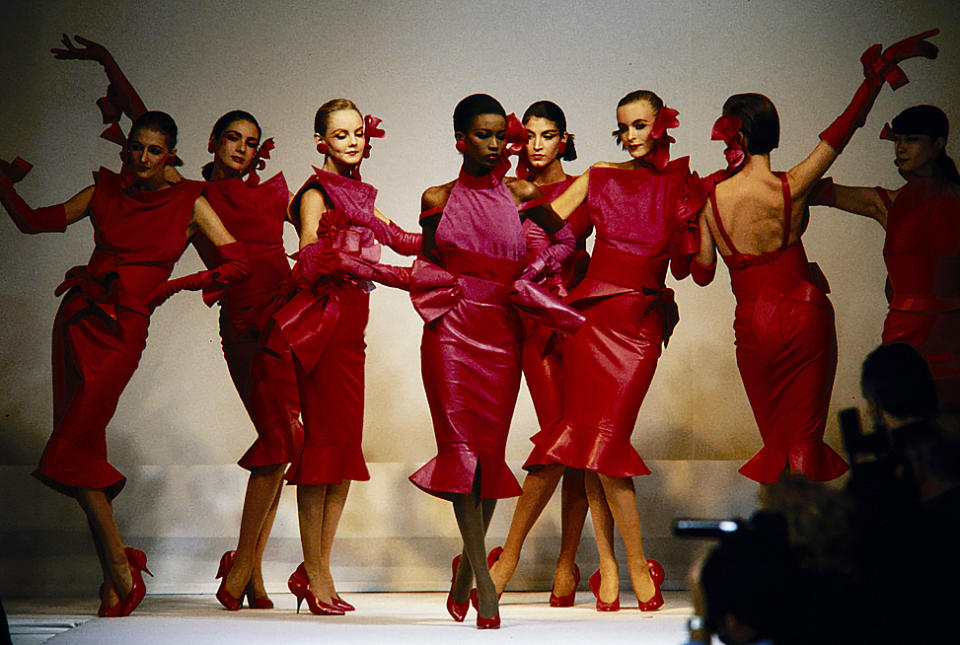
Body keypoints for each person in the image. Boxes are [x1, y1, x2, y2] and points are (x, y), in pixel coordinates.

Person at [49, 36, 304, 611]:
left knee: (292, 438)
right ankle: (236, 571)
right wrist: (108, 60)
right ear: (210, 143)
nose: (243, 149)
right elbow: (146, 124)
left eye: (251, 142)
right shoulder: (194, 191)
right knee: (280, 435)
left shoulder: (269, 193)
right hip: (244, 321)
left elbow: (314, 219)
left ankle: (248, 571)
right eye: (232, 138)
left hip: (287, 315)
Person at [1, 110, 250, 617]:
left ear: (171, 156)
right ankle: (115, 573)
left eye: (154, 150)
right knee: (81, 444)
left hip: (124, 327)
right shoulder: (103, 191)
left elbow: (237, 262)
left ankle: (120, 565)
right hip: (77, 318)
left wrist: (169, 288)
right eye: (136, 146)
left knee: (72, 444)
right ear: (127, 147)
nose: (142, 157)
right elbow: (34, 222)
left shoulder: (188, 201)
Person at [693, 31, 938, 483]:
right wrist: (876, 79)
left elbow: (703, 274)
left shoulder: (708, 196)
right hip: (805, 311)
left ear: (735, 134)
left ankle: (781, 540)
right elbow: (843, 130)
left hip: (752, 322)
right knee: (807, 441)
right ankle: (815, 542)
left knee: (775, 445)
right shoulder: (792, 185)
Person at [513, 89, 701, 612]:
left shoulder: (683, 182)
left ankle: (625, 565)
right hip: (591, 319)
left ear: (662, 124)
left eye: (641, 124)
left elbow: (693, 271)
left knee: (605, 441)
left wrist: (691, 225)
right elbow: (551, 220)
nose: (632, 135)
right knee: (592, 445)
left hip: (640, 323)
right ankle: (618, 567)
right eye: (624, 127)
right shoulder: (601, 174)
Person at [401, 93, 579, 629]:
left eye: (501, 135)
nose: (496, 144)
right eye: (483, 135)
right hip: (451, 334)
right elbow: (426, 263)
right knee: (461, 454)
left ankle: (465, 576)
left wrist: (534, 270)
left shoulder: (522, 192)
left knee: (491, 459)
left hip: (502, 335)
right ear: (460, 138)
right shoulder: (437, 197)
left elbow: (567, 239)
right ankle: (486, 585)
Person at [276, 98, 419, 616]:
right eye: (341, 135)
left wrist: (460, 234)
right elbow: (312, 255)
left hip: (352, 331)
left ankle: (317, 565)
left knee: (341, 455)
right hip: (324, 329)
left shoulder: (359, 195)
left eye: (358, 133)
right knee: (322, 453)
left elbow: (403, 240)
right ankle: (316, 572)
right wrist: (352, 254)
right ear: (321, 142)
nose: (353, 142)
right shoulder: (316, 192)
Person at [485, 100, 591, 606]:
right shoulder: (508, 191)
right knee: (559, 438)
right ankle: (510, 556)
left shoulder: (586, 188)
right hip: (533, 326)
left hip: (581, 325)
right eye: (529, 134)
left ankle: (566, 563)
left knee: (583, 448)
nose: (537, 143)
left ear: (564, 139)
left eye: (548, 134)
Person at [812, 101, 960, 410]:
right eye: (898, 140)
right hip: (903, 332)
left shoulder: (950, 200)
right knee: (900, 419)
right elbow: (814, 191)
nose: (900, 148)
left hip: (950, 334)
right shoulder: (891, 203)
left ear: (938, 145)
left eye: (912, 139)